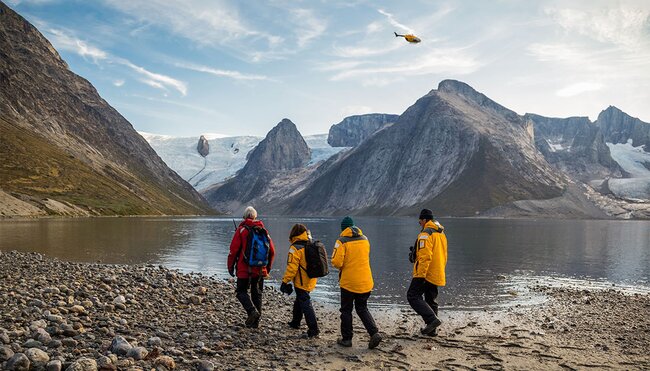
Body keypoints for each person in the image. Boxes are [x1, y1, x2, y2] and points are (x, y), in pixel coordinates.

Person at [331, 216, 382, 349]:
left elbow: (337, 262)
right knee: (362, 308)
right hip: (365, 281)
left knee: (346, 310)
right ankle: (374, 332)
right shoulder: (365, 239)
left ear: (343, 229)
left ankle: (347, 339)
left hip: (349, 282)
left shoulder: (341, 241)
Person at [227, 206, 275, 328]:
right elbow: (272, 251)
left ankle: (252, 311)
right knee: (257, 293)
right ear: (255, 216)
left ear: (244, 216)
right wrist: (267, 268)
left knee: (241, 292)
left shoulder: (242, 230)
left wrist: (230, 267)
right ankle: (256, 323)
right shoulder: (263, 230)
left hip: (244, 269)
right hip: (260, 270)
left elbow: (233, 251)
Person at [407, 208, 448, 336]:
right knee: (431, 299)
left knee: (412, 296)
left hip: (426, 272)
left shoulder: (426, 234)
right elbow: (443, 254)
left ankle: (432, 319)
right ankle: (432, 330)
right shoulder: (441, 233)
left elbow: (425, 257)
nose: (419, 223)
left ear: (424, 220)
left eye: (420, 221)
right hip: (437, 270)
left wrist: (420, 275)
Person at [279, 224, 320, 338]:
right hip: (311, 278)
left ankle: (314, 329)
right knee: (300, 300)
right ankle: (295, 322)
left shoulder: (295, 248)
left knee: (305, 303)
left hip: (301, 281)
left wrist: (285, 281)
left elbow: (292, 268)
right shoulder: (310, 243)